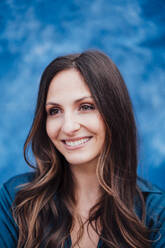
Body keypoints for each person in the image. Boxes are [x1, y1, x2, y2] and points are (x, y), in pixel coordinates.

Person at [0, 50, 164, 248]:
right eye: (55, 111)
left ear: (114, 112)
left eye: (86, 107)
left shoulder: (157, 214)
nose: (68, 127)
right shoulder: (15, 200)